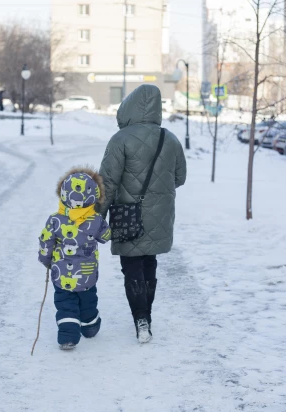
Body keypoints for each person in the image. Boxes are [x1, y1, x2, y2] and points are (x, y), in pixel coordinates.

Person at [99, 84, 187, 343]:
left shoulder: (121, 139)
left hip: (128, 214)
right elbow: (179, 178)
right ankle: (146, 317)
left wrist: (97, 215)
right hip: (160, 213)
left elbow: (107, 183)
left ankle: (140, 318)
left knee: (132, 266)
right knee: (150, 263)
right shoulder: (169, 138)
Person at [38, 168, 111, 350]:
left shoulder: (55, 220)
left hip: (61, 273)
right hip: (87, 274)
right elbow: (106, 236)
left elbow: (46, 240)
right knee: (88, 301)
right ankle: (90, 327)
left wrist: (46, 259)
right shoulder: (96, 220)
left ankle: (68, 337)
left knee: (65, 303)